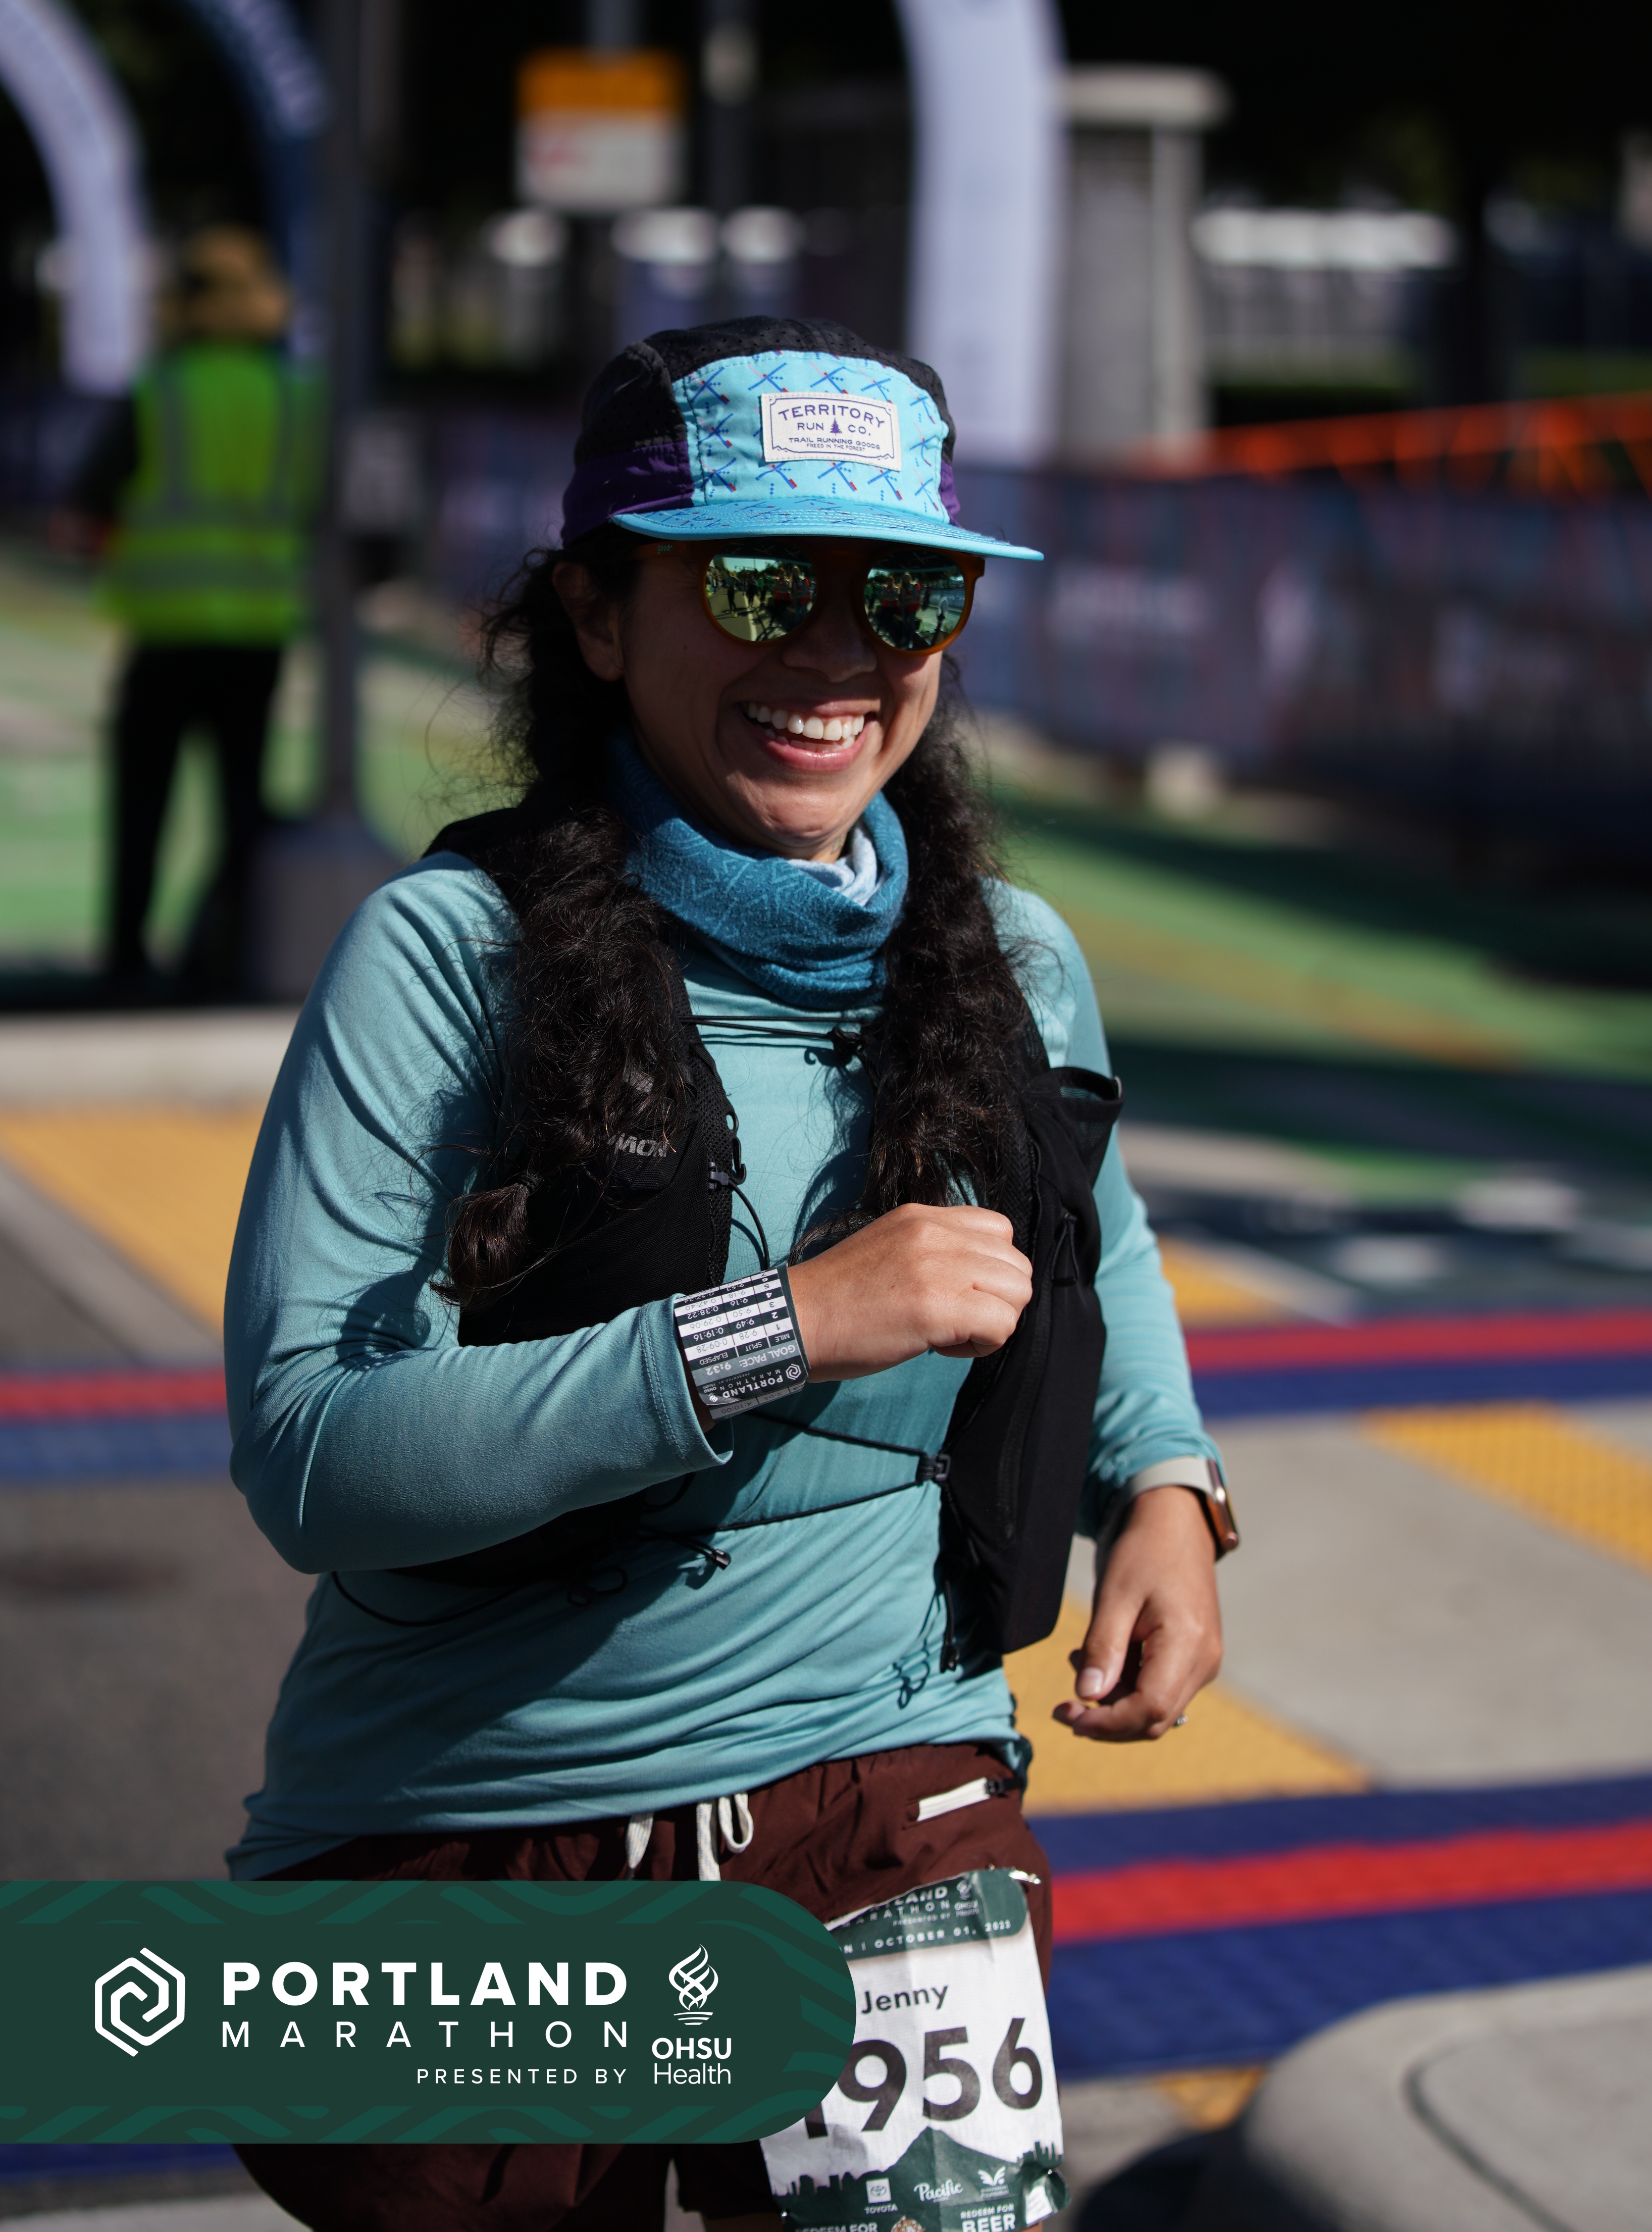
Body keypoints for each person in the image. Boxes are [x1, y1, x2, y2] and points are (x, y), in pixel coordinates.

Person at [224, 316, 1232, 2232]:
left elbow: (1087, 1235)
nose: (839, 651)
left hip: (887, 1793)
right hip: (475, 1836)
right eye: (762, 583)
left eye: (906, 593)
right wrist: (784, 1327)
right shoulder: (445, 957)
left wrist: (1167, 1486)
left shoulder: (1015, 957)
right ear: (597, 616)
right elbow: (312, 1456)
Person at [67, 226, 325, 998]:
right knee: (241, 807)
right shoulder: (296, 396)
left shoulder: (162, 389)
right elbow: (322, 507)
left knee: (142, 803)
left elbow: (84, 509)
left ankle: (126, 962)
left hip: (166, 628)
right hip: (258, 629)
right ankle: (218, 953)